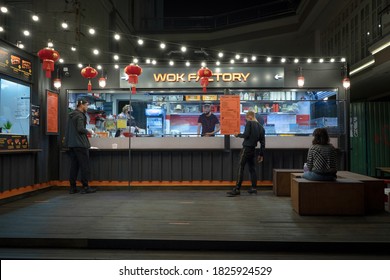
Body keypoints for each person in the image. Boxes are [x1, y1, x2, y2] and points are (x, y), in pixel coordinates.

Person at [227, 111, 265, 196]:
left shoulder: (250, 123)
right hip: (253, 150)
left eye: (246, 118)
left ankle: (237, 189)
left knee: (240, 167)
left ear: (250, 117)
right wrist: (261, 154)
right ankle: (254, 188)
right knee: (252, 169)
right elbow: (263, 143)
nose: (246, 120)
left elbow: (246, 135)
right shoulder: (261, 128)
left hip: (246, 149)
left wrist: (238, 135)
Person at [64, 98, 96, 194]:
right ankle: (85, 187)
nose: (87, 107)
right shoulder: (80, 115)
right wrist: (89, 131)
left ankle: (72, 187)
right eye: (86, 105)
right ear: (81, 105)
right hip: (80, 144)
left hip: (72, 144)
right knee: (84, 165)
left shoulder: (72, 115)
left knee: (74, 166)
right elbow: (80, 129)